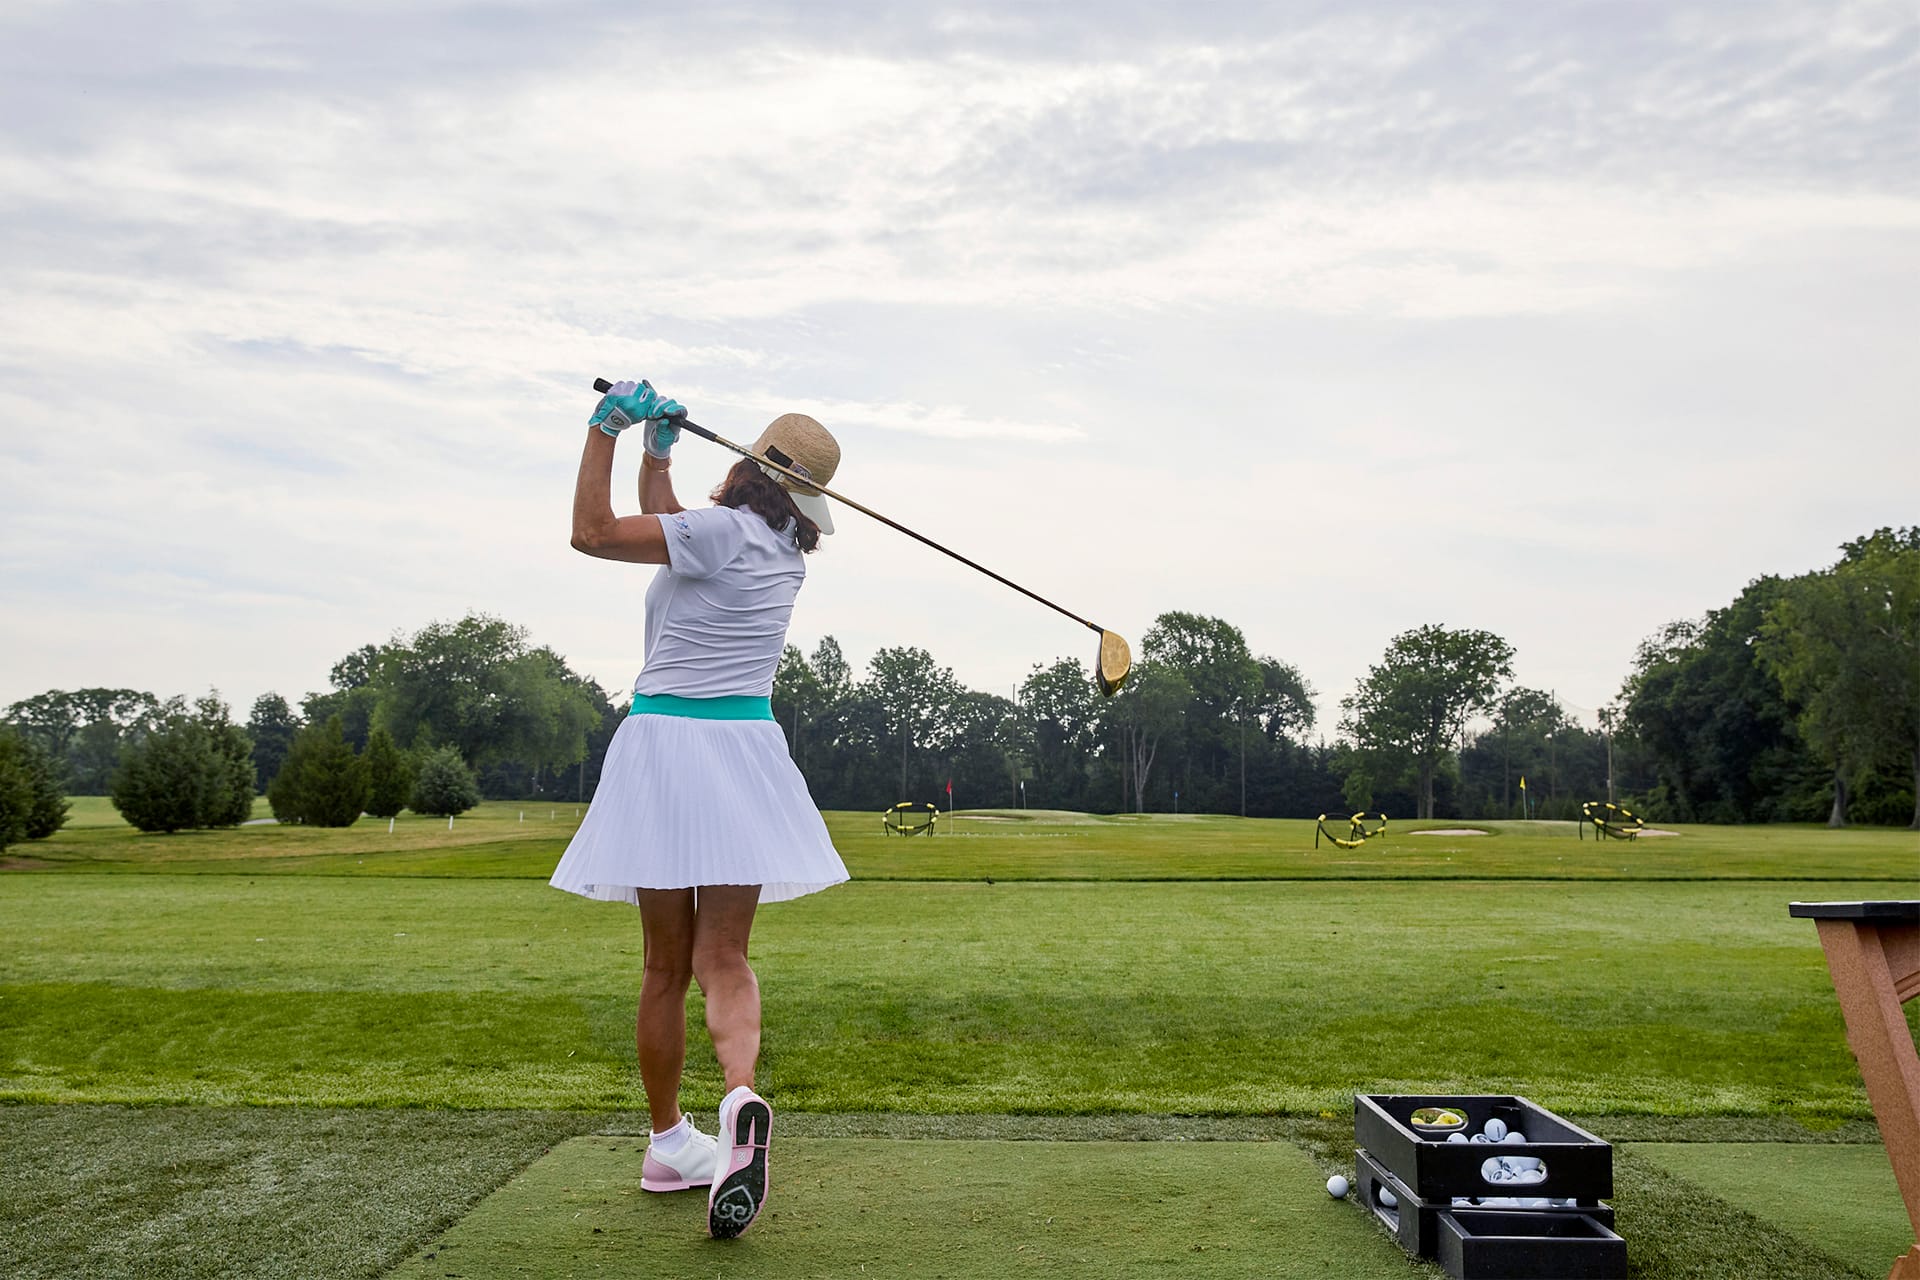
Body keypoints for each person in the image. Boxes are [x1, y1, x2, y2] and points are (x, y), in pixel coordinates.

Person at [550, 378, 848, 1240]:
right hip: (745, 750)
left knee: (663, 967)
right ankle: (736, 1098)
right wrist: (658, 457)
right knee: (725, 956)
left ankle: (666, 1138)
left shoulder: (718, 532)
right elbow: (678, 530)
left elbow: (592, 533)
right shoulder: (779, 553)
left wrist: (606, 430)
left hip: (666, 746)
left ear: (748, 466)